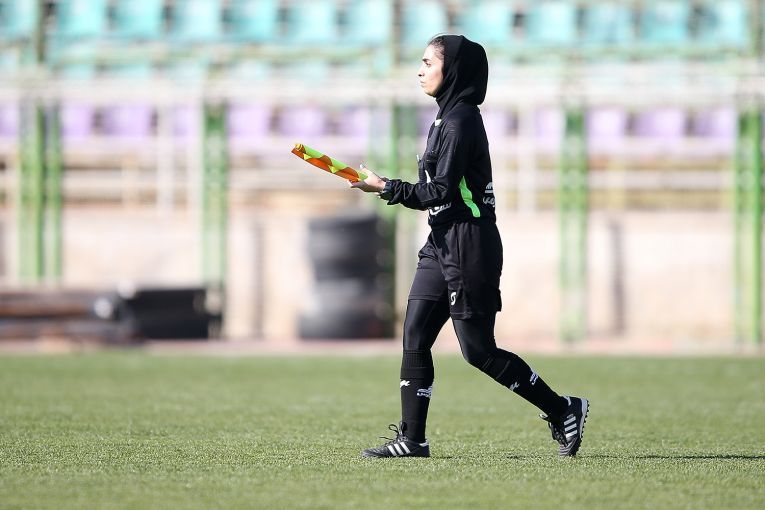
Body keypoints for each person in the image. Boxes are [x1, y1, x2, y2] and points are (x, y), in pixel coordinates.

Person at [350, 35, 588, 458]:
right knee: (415, 334)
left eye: (428, 62)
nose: (419, 70)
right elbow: (438, 192)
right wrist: (388, 187)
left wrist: (386, 187)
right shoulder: (443, 119)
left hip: (469, 243)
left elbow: (441, 190)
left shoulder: (461, 121)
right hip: (441, 241)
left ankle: (562, 408)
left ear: (453, 70)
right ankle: (413, 439)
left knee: (478, 351)